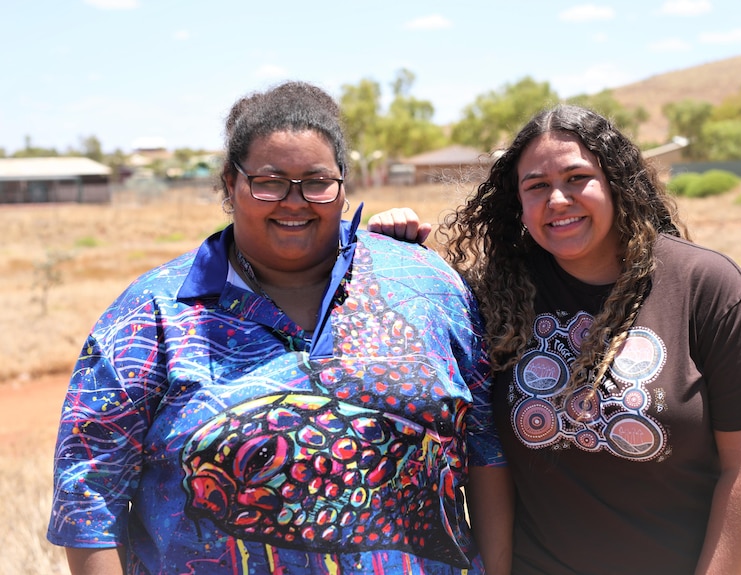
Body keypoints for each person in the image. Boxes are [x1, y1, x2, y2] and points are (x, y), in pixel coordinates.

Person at [47, 80, 506, 575]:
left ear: (344, 182)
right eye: (268, 182)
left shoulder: (426, 286)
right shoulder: (151, 317)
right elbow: (89, 496)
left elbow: (487, 451)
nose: (294, 202)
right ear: (230, 182)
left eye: (316, 181)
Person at [369, 104, 741, 575]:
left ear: (616, 183)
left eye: (576, 178)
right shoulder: (498, 295)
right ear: (519, 204)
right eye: (536, 186)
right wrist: (390, 248)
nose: (558, 200)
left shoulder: (706, 287)